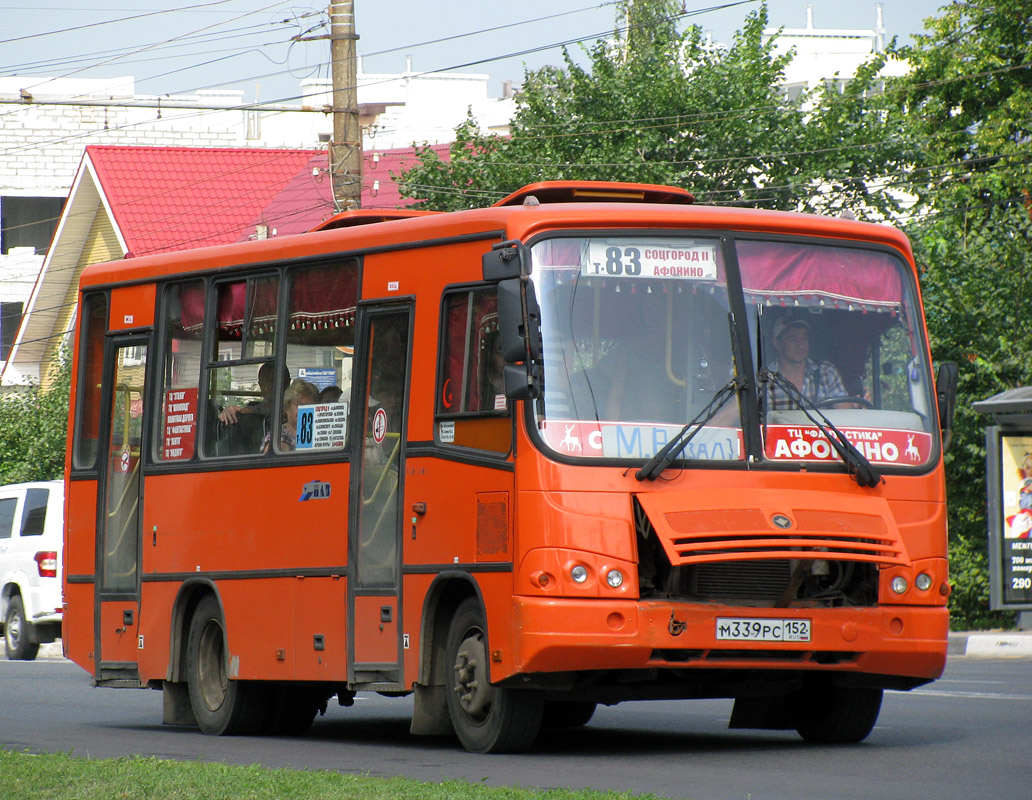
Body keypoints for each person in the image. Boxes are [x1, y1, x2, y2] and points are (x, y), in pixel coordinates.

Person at [767, 316, 851, 410]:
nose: (800, 345)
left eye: (804, 339)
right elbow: (762, 420)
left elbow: (845, 410)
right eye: (793, 339)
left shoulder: (826, 371)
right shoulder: (765, 379)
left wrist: (856, 406)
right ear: (777, 344)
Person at [219, 362, 289, 425]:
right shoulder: (257, 411)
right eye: (268, 381)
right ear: (260, 385)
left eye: (278, 380)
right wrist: (231, 411)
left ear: (288, 382)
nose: (273, 385)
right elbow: (244, 411)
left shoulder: (295, 407)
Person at [261, 379, 319, 453]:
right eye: (299, 405)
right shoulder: (278, 436)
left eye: (309, 406)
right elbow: (270, 457)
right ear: (287, 407)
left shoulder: (320, 431)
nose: (304, 410)